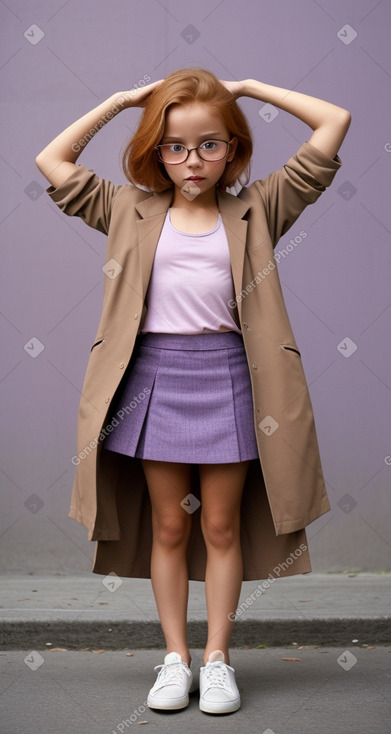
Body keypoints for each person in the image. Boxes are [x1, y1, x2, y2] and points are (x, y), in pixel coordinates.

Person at [36, 68, 350, 715]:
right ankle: (174, 658)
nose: (192, 160)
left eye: (210, 143)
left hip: (232, 379)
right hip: (151, 382)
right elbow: (52, 159)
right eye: (174, 146)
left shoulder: (259, 206)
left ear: (232, 147)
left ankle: (217, 661)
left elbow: (332, 123)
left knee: (220, 525)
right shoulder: (127, 208)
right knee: (172, 529)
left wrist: (255, 88)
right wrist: (123, 100)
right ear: (155, 151)